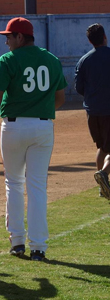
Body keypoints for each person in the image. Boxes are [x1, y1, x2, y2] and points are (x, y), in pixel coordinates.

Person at [0, 17, 67, 261]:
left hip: (13, 127)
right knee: (37, 187)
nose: (6, 42)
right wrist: (41, 108)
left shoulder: (8, 60)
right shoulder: (52, 59)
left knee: (14, 184)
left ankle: (17, 242)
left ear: (20, 37)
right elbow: (60, 98)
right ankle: (39, 247)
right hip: (43, 127)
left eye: (9, 36)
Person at [74, 23, 110, 199]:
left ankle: (102, 186)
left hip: (92, 112)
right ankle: (103, 174)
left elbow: (79, 88)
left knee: (103, 147)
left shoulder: (84, 61)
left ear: (90, 41)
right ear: (105, 37)